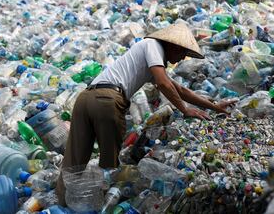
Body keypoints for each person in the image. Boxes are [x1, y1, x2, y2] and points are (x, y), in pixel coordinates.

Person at [56, 22, 235, 205]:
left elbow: (180, 90)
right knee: (110, 167)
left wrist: (214, 106)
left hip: (85, 98)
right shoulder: (153, 45)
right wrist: (185, 110)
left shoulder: (151, 58)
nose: (182, 59)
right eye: (183, 53)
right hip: (107, 100)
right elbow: (164, 84)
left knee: (74, 161)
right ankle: (106, 205)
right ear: (173, 45)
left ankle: (59, 204)